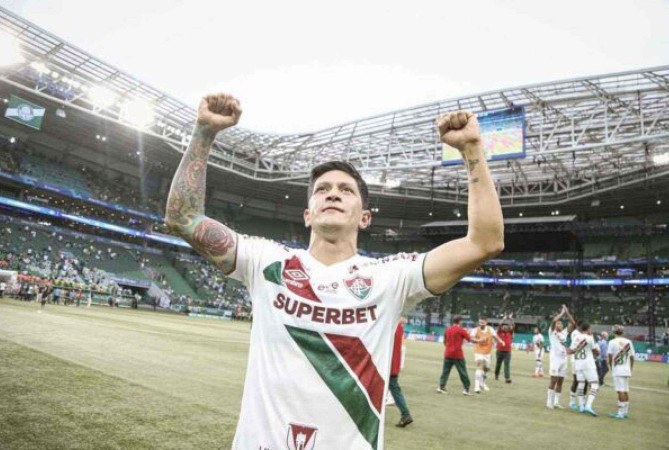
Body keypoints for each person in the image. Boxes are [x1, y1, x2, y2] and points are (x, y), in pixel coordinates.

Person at [164, 93, 504, 449]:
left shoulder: (392, 277)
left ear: (365, 217)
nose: (333, 194)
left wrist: (472, 149)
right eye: (322, 189)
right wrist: (203, 132)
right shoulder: (266, 262)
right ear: (308, 214)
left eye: (346, 190)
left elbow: (485, 243)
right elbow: (183, 217)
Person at [567, 323, 600, 416]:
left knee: (581, 383)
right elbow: (595, 351)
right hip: (588, 363)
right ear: (588, 329)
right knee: (595, 384)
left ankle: (581, 405)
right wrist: (598, 352)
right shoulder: (590, 338)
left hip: (578, 363)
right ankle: (588, 406)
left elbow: (571, 351)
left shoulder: (576, 338)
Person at [546, 305, 575, 409]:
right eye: (558, 323)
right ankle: (549, 402)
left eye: (561, 323)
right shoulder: (552, 332)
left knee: (560, 382)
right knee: (553, 380)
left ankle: (556, 402)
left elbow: (573, 323)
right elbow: (554, 320)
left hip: (563, 359)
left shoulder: (564, 333)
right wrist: (562, 313)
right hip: (555, 359)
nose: (559, 324)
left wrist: (567, 313)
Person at [437, 315, 473, 395]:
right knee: (463, 372)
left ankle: (441, 387)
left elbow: (444, 341)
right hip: (458, 355)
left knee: (445, 372)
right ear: (460, 321)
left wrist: (449, 348)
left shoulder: (448, 329)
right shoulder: (461, 330)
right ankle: (466, 389)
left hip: (448, 354)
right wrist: (480, 340)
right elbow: (470, 339)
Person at [470, 317, 505, 393]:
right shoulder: (475, 330)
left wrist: (501, 341)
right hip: (478, 352)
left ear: (486, 322)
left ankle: (482, 383)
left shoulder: (490, 329)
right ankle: (476, 386)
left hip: (487, 353)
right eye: (479, 322)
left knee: (486, 370)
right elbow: (471, 339)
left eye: (482, 322)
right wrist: (479, 340)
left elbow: (496, 337)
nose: (481, 324)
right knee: (480, 366)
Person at [388, 318, 413, 428]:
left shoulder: (389, 324)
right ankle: (405, 414)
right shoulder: (398, 327)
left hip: (385, 364)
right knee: (395, 389)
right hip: (393, 364)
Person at [607, 325, 635, 419]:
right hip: (626, 369)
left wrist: (611, 366)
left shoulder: (612, 342)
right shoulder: (628, 342)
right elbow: (632, 357)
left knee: (620, 391)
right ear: (622, 332)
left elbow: (610, 356)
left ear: (614, 332)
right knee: (625, 390)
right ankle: (625, 412)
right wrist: (630, 368)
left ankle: (620, 413)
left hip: (618, 369)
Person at [495, 313, 514, 383]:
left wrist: (511, 319)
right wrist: (504, 318)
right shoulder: (499, 332)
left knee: (507, 365)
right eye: (504, 326)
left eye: (506, 327)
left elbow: (513, 325)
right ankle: (496, 374)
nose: (505, 327)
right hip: (499, 351)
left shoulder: (510, 332)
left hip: (507, 352)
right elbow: (500, 324)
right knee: (498, 364)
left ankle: (507, 378)